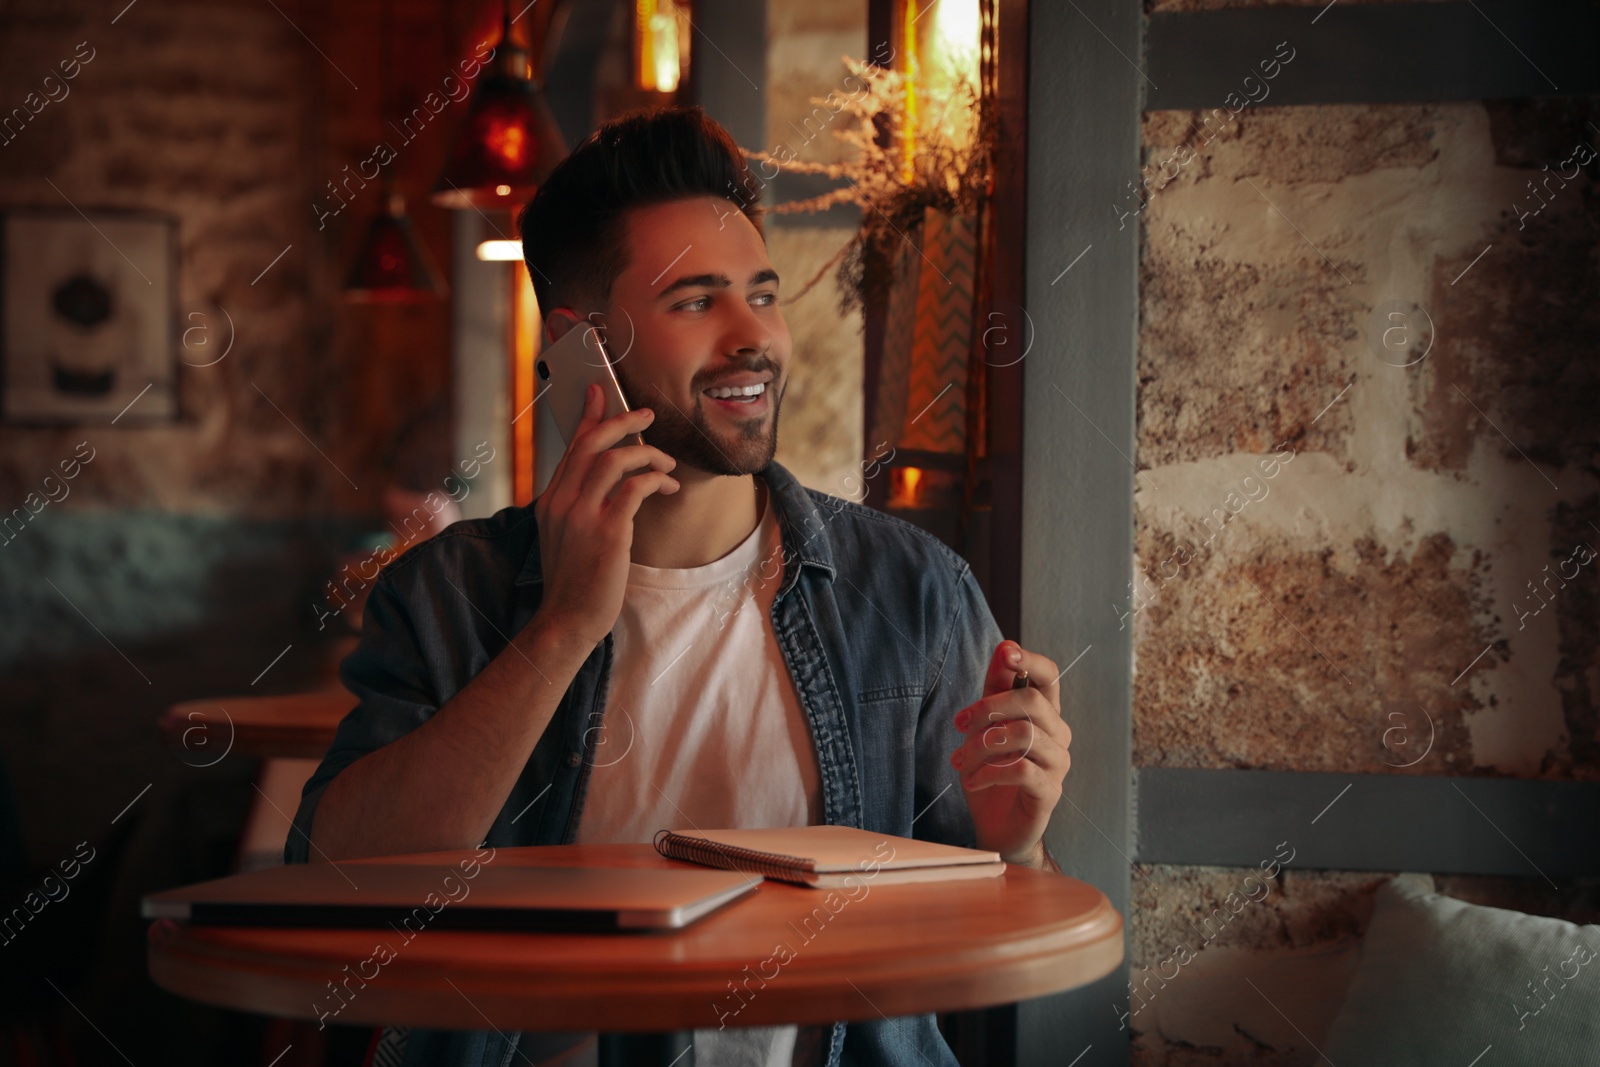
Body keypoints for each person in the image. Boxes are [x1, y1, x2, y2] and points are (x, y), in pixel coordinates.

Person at [287, 104, 1071, 1067]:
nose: (755, 338)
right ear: (585, 347)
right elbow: (335, 877)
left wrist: (1015, 848)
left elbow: (988, 956)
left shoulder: (913, 591)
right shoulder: (449, 594)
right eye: (697, 301)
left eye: (764, 293)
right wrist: (566, 624)